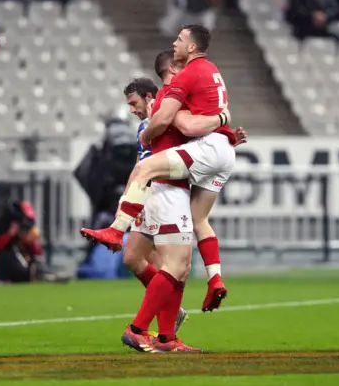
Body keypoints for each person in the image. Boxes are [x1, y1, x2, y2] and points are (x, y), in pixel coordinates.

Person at [82, 26, 236, 315]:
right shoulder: (201, 80)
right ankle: (202, 289)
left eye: (135, 103)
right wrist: (224, 122)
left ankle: (150, 329)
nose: (132, 110)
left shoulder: (172, 95)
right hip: (169, 185)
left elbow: (187, 127)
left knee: (175, 266)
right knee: (135, 257)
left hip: (170, 192)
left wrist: (221, 119)